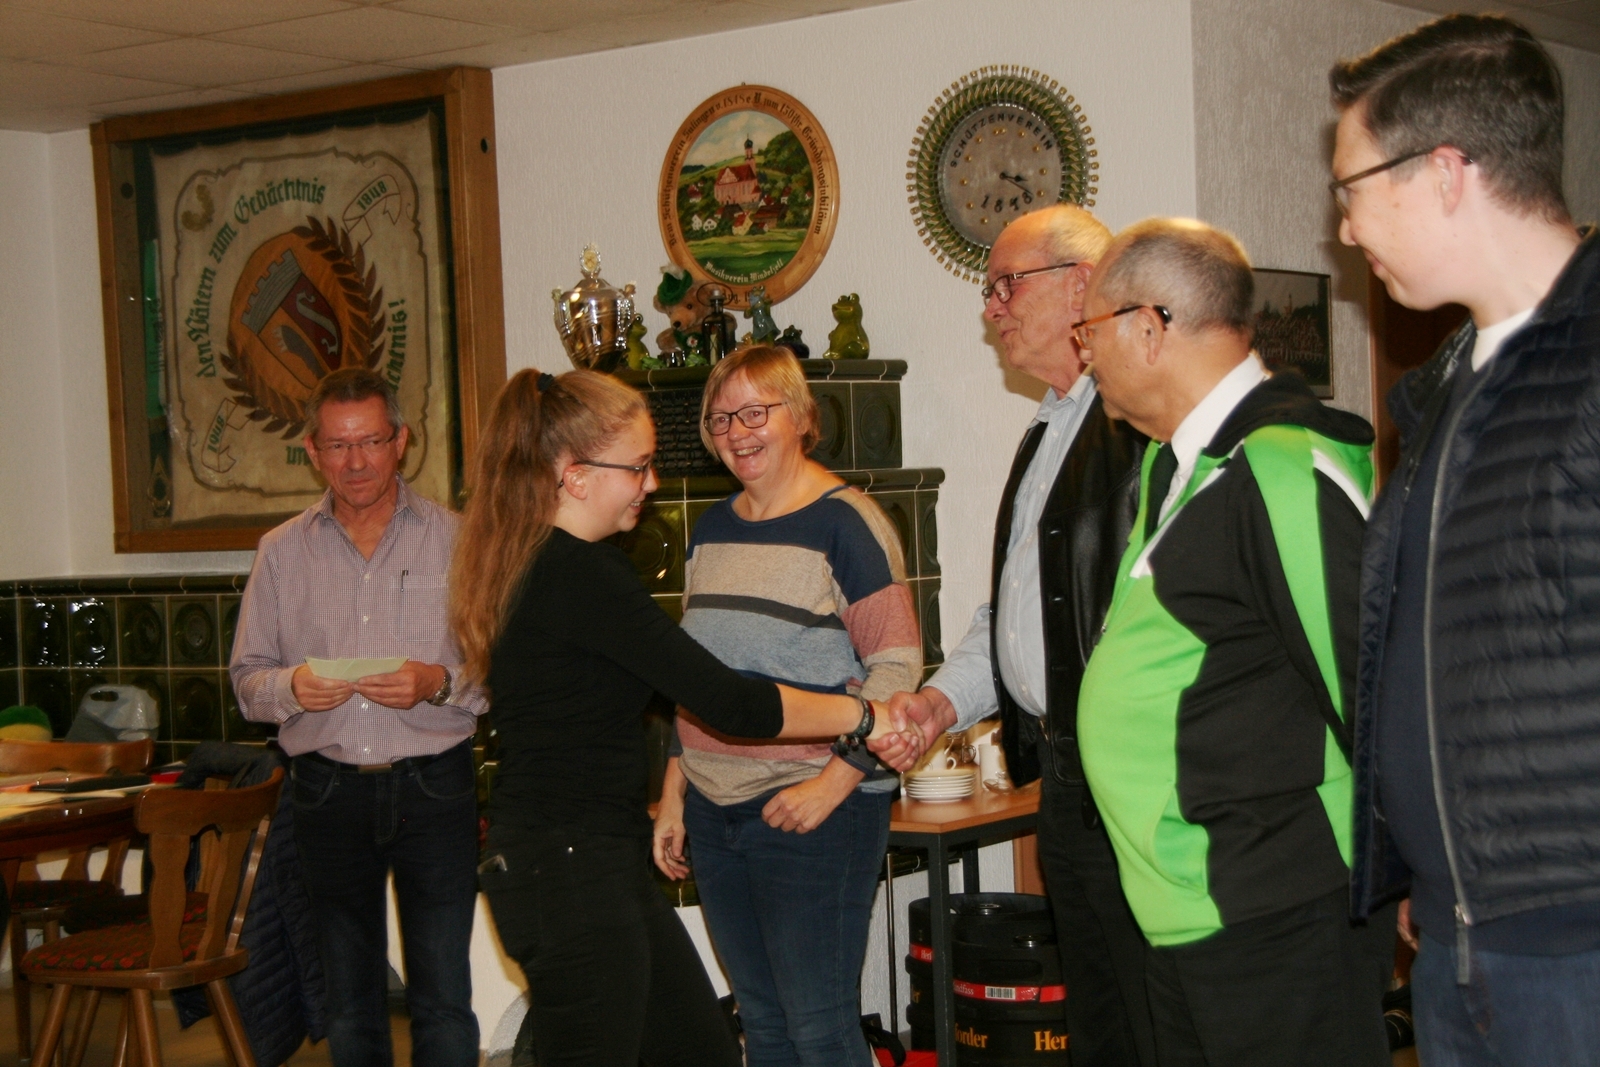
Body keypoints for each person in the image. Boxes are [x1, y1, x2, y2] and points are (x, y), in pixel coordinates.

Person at [453, 368, 923, 1067]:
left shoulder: (546, 561)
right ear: (575, 476)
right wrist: (863, 715)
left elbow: (683, 685)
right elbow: (731, 702)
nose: (649, 484)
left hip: (590, 861)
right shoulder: (583, 575)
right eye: (638, 467)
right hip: (568, 869)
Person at [1330, 15, 1600, 1064]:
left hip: (1572, 946)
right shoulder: (1446, 383)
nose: (1345, 226)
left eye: (1351, 188)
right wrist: (1429, 868)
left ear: (1444, 172)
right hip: (1456, 932)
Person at [1073, 218, 1390, 1066]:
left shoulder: (1280, 469)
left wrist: (1415, 872)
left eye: (1088, 329)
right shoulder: (1173, 467)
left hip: (1277, 910)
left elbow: (1373, 683)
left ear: (1149, 327)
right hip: (1190, 907)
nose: (1084, 355)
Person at [891, 203, 1155, 1067]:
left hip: (1130, 777)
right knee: (1100, 1021)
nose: (991, 308)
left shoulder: (1139, 425)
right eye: (990, 290)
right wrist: (939, 703)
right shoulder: (1049, 426)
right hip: (1066, 780)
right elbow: (1015, 614)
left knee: (1150, 1011)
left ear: (1082, 286)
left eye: (1007, 284)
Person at [650, 346, 922, 1067]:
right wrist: (675, 793)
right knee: (763, 1026)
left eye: (754, 412)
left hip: (812, 810)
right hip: (714, 809)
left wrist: (832, 784)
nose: (736, 432)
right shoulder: (712, 527)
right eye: (720, 418)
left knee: (819, 1029)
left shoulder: (847, 524)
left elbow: (897, 667)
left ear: (800, 416)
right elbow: (699, 675)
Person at [232, 367, 484, 1067]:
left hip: (436, 786)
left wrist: (439, 682)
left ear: (401, 441)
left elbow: (496, 670)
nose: (356, 462)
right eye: (338, 445)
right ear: (313, 451)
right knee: (349, 1000)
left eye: (371, 441)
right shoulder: (281, 551)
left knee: (442, 994)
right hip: (326, 790)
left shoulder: (458, 538)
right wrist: (291, 687)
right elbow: (247, 681)